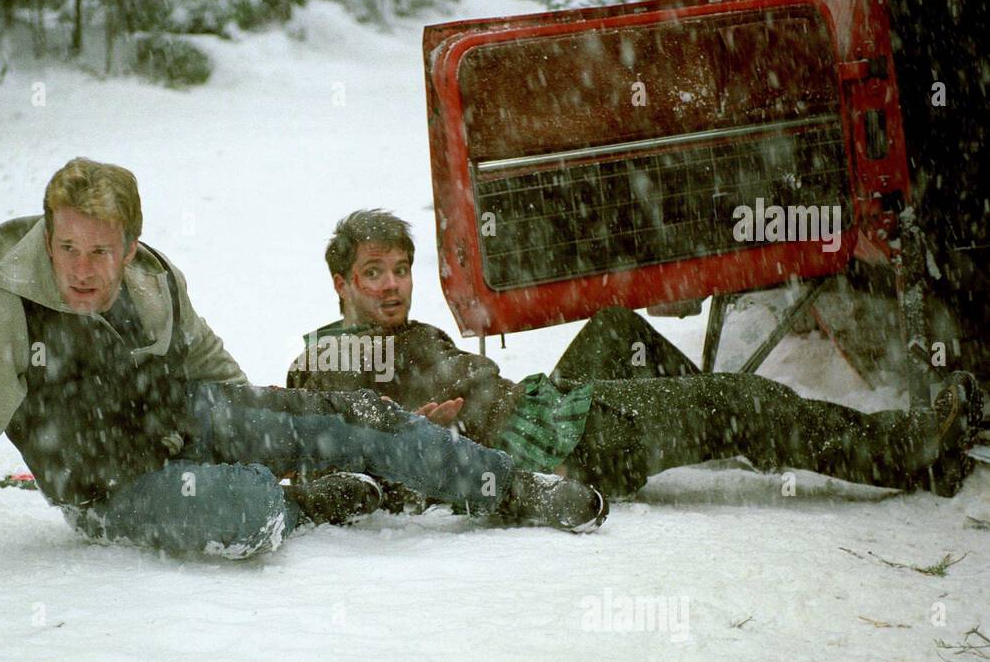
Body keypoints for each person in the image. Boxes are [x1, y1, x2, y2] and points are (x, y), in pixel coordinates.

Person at [0, 162, 608, 587]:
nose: (82, 268)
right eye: (67, 247)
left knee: (350, 411)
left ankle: (513, 489)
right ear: (46, 234)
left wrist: (281, 425)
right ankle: (300, 503)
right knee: (244, 507)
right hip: (111, 482)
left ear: (129, 246)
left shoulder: (150, 279)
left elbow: (212, 366)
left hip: (182, 413)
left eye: (101, 250)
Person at [286, 209, 983, 509]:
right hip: (561, 446)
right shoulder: (338, 356)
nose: (391, 285)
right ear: (340, 283)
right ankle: (905, 449)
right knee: (738, 398)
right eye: (372, 272)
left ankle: (731, 428)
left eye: (401, 269)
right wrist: (425, 433)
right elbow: (355, 460)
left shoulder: (395, 336)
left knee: (618, 325)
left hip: (539, 404)